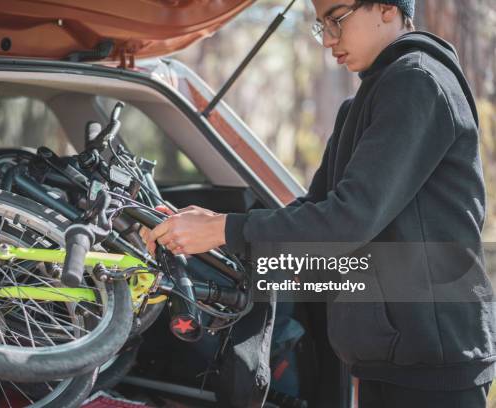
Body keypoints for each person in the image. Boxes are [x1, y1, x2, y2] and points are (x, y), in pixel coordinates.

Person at [141, 0, 496, 406]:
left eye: (336, 18)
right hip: (393, 354)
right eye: (320, 25)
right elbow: (314, 208)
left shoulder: (418, 82)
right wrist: (209, 228)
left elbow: (347, 220)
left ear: (386, 8)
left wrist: (226, 228)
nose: (327, 39)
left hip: (434, 360)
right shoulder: (362, 104)